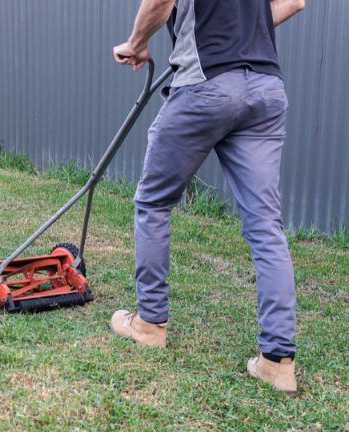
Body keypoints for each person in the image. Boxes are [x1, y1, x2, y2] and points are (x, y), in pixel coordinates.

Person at [109, 0, 306, 393]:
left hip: (207, 83)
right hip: (265, 87)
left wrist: (136, 43)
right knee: (266, 225)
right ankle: (277, 362)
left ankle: (149, 324)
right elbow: (295, 1)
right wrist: (243, 33)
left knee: (153, 202)